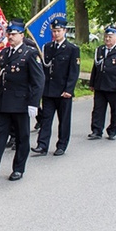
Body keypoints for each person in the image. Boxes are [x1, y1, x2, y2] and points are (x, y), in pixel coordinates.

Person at [0, 19, 44, 180]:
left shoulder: (30, 54)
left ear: (21, 35)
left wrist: (34, 104)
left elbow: (38, 81)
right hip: (4, 102)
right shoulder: (3, 53)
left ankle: (18, 169)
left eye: (14, 34)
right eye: (9, 33)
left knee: (22, 137)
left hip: (21, 103)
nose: (10, 36)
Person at [32, 17, 80, 156]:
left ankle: (62, 145)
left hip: (63, 91)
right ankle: (42, 145)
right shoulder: (47, 47)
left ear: (64, 31)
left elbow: (74, 72)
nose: (56, 34)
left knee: (63, 120)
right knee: (46, 119)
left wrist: (69, 90)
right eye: (53, 31)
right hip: (48, 90)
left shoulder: (72, 49)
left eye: (58, 31)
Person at [88, 26, 116, 140]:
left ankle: (113, 130)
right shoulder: (100, 50)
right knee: (98, 109)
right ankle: (96, 130)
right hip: (100, 85)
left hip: (115, 86)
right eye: (106, 37)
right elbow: (95, 68)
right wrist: (92, 83)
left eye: (110, 37)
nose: (107, 39)